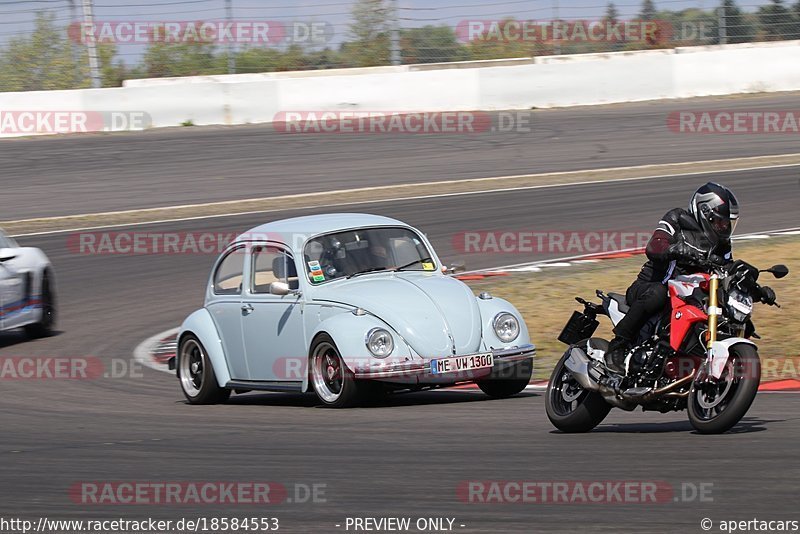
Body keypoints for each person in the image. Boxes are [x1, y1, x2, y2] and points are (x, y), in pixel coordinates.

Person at [605, 182, 742, 374]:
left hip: (684, 297)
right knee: (658, 294)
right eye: (721, 222)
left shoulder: (722, 244)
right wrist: (677, 249)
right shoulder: (677, 218)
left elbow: (728, 268)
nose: (725, 227)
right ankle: (617, 346)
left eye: (728, 223)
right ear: (705, 213)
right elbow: (654, 245)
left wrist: (750, 281)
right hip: (649, 287)